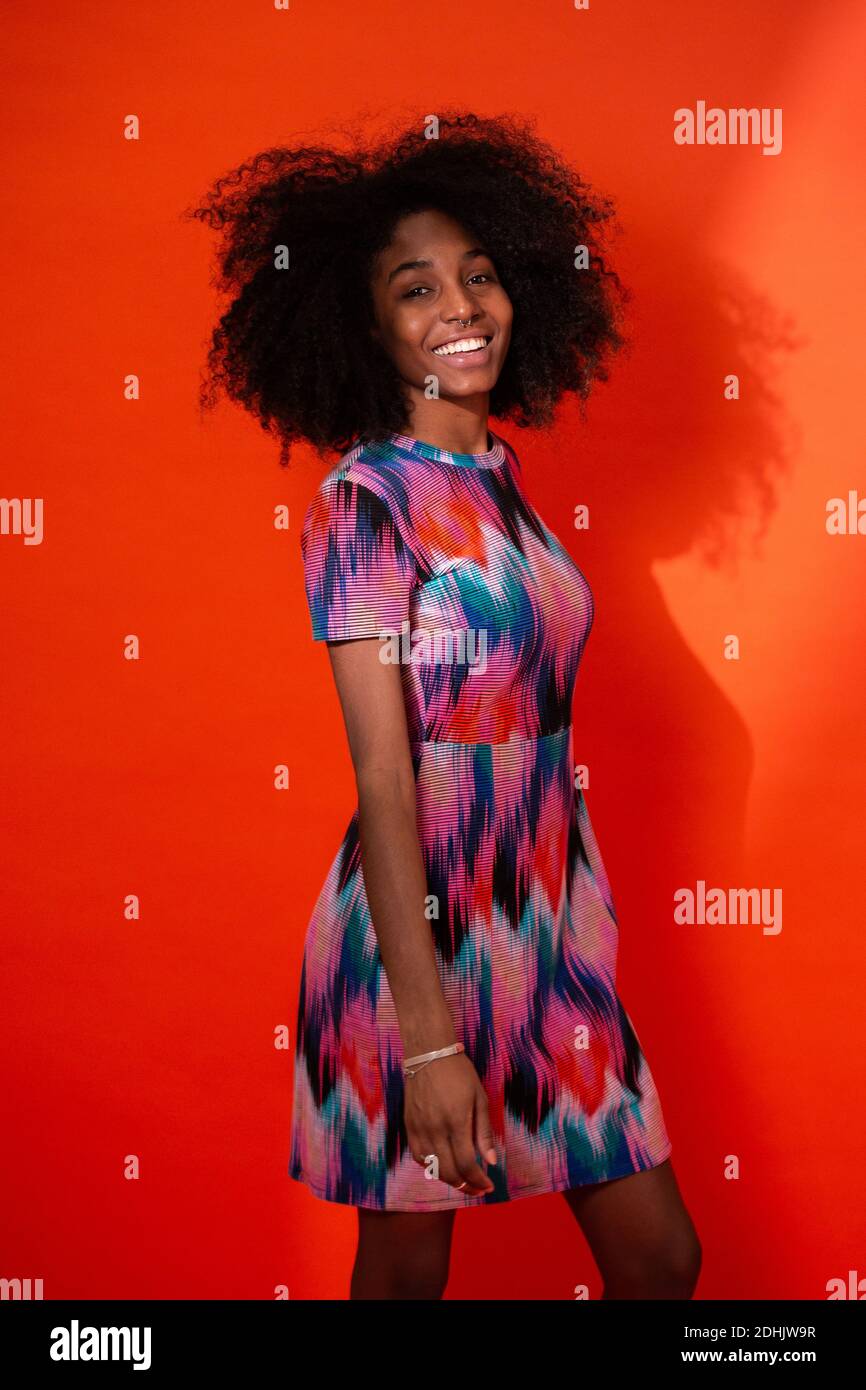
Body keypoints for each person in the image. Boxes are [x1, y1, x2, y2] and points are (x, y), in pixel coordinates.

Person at [190, 111, 701, 1301]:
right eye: (415, 290)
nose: (458, 307)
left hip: (544, 925)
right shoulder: (365, 501)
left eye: (476, 276)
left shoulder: (499, 478)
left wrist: (575, 929)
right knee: (410, 1263)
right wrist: (428, 1041)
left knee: (659, 1258)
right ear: (368, 328)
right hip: (414, 941)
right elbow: (383, 777)